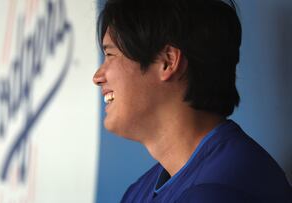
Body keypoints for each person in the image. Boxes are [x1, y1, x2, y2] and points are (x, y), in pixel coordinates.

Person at [92, 0, 292, 202]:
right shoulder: (139, 191)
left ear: (167, 62)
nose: (97, 77)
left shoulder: (220, 191)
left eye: (110, 54)